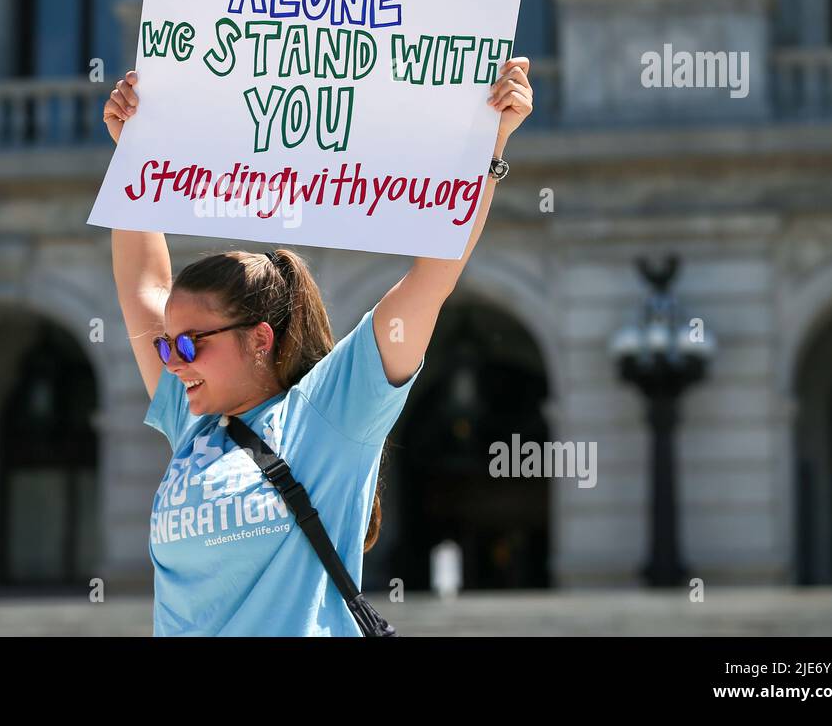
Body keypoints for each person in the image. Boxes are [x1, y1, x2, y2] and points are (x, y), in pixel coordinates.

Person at [104, 58, 534, 635]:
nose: (174, 361)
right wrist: (134, 147)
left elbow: (430, 282)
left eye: (188, 344)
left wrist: (492, 142)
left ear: (260, 338)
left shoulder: (330, 412)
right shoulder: (193, 417)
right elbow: (144, 285)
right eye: (167, 347)